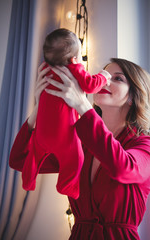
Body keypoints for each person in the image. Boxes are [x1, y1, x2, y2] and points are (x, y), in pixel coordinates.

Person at [9, 58, 150, 239]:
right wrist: (38, 106)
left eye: (118, 78)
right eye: (105, 74)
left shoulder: (144, 144)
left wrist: (82, 105)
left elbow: (121, 167)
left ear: (132, 96)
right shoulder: (78, 141)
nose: (105, 79)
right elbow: (20, 160)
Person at [21, 28, 111, 199]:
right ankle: (66, 187)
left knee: (34, 155)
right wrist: (104, 76)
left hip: (41, 132)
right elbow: (90, 85)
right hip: (63, 136)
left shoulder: (45, 69)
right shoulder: (73, 68)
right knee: (75, 159)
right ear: (73, 58)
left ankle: (28, 180)